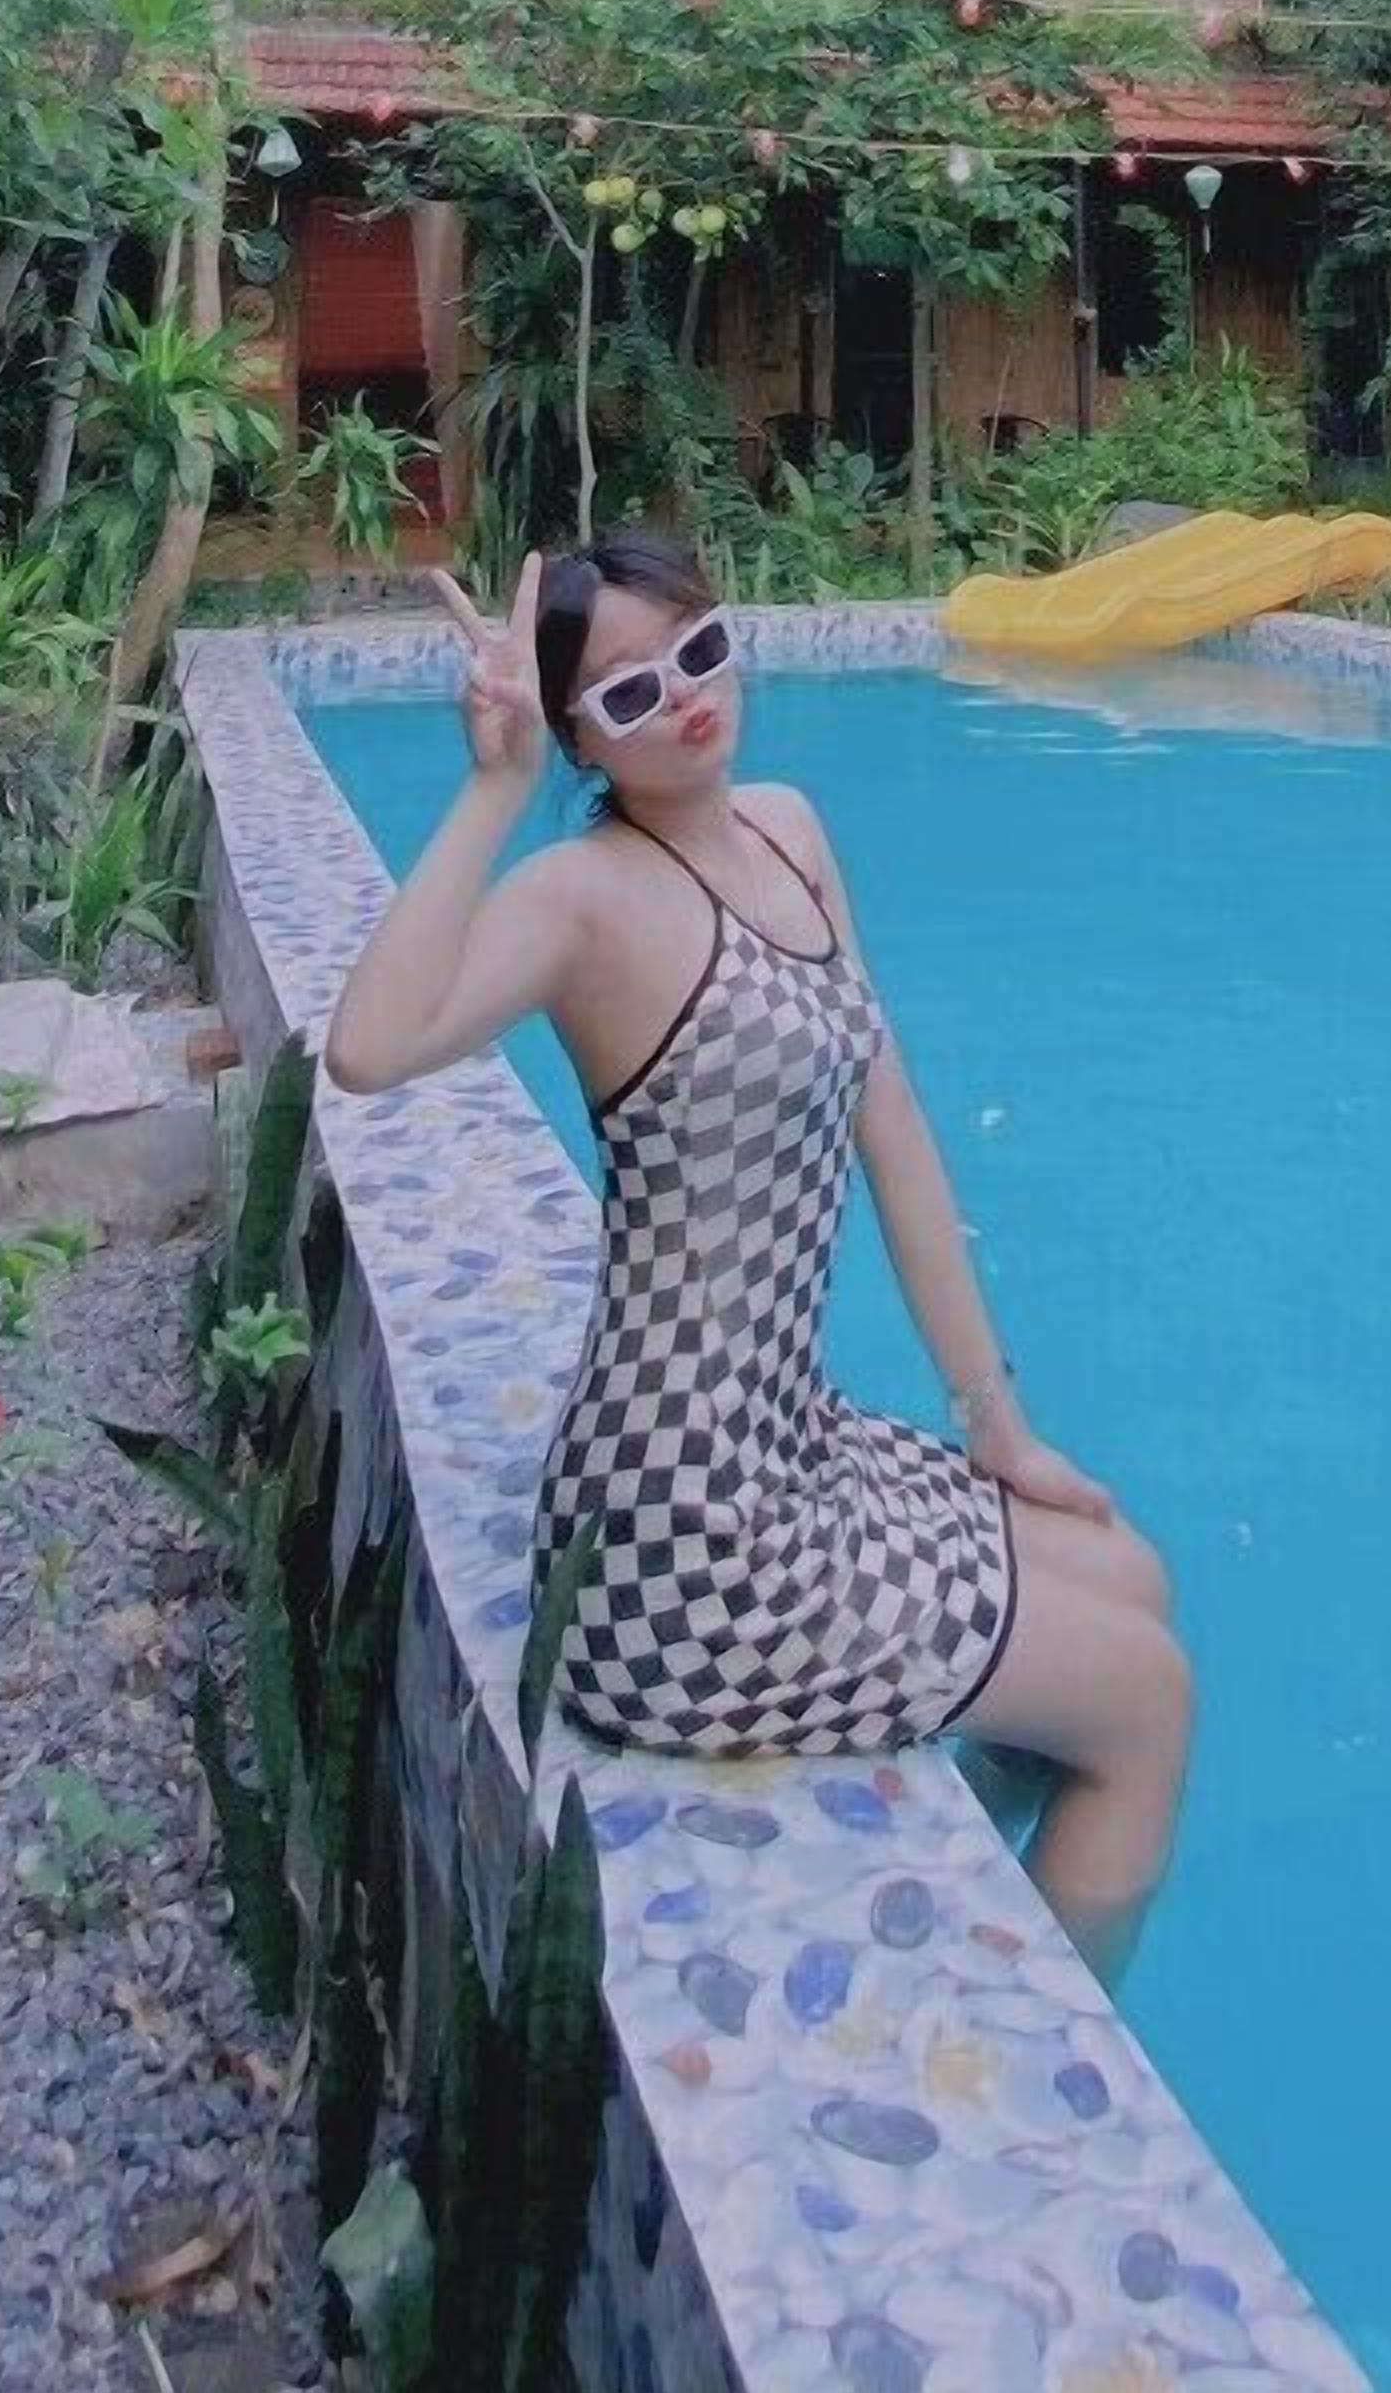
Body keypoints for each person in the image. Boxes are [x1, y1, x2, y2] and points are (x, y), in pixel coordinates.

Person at [321, 527, 1192, 1980]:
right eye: (627, 695)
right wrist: (493, 792)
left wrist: (1005, 1429)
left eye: (700, 652)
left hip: (794, 1451)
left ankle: (965, 1931)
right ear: (579, 737)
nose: (685, 700)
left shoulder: (790, 826)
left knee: (1132, 1572)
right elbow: (366, 1049)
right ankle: (1033, 2056)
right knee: (1150, 1708)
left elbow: (892, 1122)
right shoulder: (584, 899)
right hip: (679, 1540)